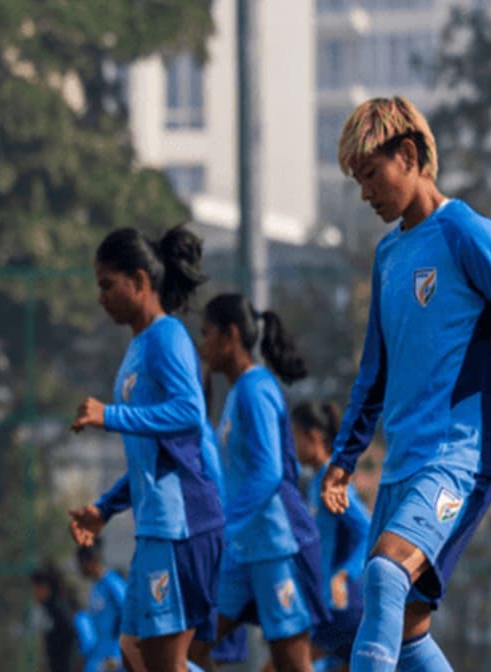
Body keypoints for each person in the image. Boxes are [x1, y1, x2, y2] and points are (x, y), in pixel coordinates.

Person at [323, 97, 491, 672]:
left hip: (457, 458)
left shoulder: (466, 233)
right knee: (405, 631)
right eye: (357, 181)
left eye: (371, 175)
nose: (365, 194)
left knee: (384, 573)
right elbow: (372, 375)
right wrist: (343, 458)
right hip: (403, 466)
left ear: (407, 156)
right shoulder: (387, 257)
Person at [66, 226, 224, 672]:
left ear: (139, 281)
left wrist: (110, 415)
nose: (101, 297)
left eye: (107, 285)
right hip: (155, 525)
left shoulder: (167, 336)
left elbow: (189, 413)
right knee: (134, 652)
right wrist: (104, 508)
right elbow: (150, 457)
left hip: (182, 523)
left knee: (162, 661)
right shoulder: (138, 347)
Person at [189, 293, 327, 672]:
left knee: (292, 665)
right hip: (241, 552)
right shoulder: (237, 394)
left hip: (274, 548)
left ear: (231, 335)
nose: (202, 346)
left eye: (207, 333)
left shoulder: (256, 388)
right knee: (189, 649)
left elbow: (268, 473)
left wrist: (223, 525)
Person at [292, 402, 370, 672]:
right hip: (330, 608)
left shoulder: (331, 479)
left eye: (294, 436)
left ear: (312, 437)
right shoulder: (316, 482)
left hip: (341, 607)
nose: (292, 445)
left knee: (283, 664)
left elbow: (367, 530)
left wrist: (344, 574)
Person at [74, 542, 126, 672]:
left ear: (91, 561)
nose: (79, 569)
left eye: (81, 564)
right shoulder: (95, 588)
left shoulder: (112, 583)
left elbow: (130, 613)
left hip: (114, 657)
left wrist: (120, 655)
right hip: (99, 656)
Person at [31, 565, 78, 672]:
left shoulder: (58, 608)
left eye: (36, 588)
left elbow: (70, 635)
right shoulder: (48, 607)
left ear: (46, 588)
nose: (34, 593)